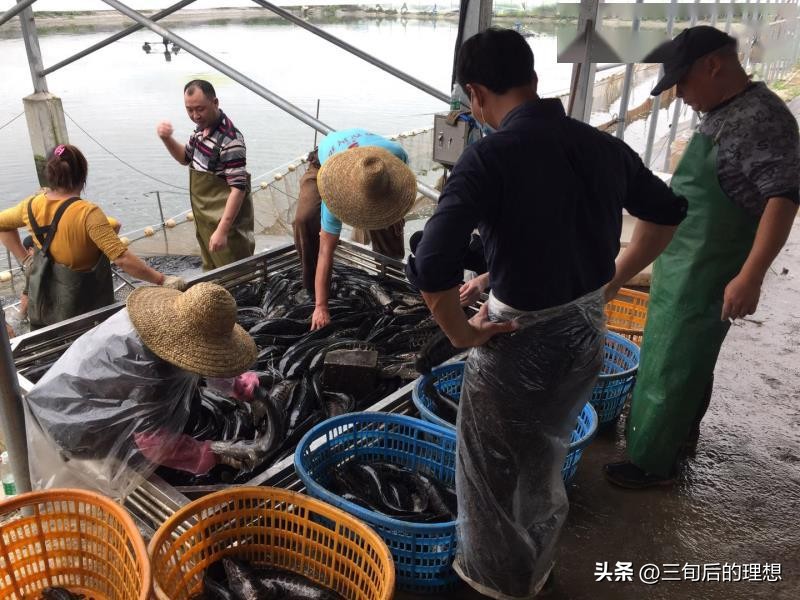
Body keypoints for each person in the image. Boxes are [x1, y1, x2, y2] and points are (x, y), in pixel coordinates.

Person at [406, 28, 687, 598]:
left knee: (492, 472)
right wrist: (611, 279)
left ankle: (494, 585)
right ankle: (532, 569)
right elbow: (666, 212)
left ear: (476, 93)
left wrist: (463, 334)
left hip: (518, 344)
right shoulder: (599, 144)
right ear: (533, 79)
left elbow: (431, 263)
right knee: (541, 459)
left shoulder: (489, 157)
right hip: (584, 337)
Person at [604, 26, 800, 489]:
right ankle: (677, 438)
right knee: (682, 359)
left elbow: (784, 197)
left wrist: (751, 275)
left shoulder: (760, 117)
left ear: (715, 64)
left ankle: (651, 463)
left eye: (684, 82)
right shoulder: (724, 110)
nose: (681, 96)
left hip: (707, 268)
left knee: (675, 361)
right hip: (684, 260)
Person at [24, 282, 259, 496]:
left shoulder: (154, 323)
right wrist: (211, 452)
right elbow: (152, 441)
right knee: (82, 494)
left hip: (57, 394)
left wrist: (236, 386)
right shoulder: (155, 373)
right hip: (71, 429)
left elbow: (200, 361)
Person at [0, 144, 184, 330]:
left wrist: (25, 259)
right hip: (85, 316)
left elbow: (2, 225)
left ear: (50, 175)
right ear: (83, 175)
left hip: (46, 312)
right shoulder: (88, 214)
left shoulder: (31, 205)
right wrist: (162, 280)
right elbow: (122, 259)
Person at [310, 128, 415, 329]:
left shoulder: (396, 155)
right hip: (325, 162)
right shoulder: (334, 195)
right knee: (304, 219)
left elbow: (402, 189)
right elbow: (325, 251)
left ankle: (390, 287)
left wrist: (395, 215)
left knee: (391, 227)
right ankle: (310, 288)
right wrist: (321, 306)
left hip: (371, 164)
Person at [157, 79, 255, 270]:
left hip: (227, 227)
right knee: (211, 273)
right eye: (189, 110)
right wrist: (166, 139)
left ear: (215, 103)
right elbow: (185, 158)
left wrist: (222, 230)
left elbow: (238, 189)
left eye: (200, 109)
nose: (195, 115)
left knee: (236, 275)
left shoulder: (231, 140)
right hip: (205, 222)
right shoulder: (200, 131)